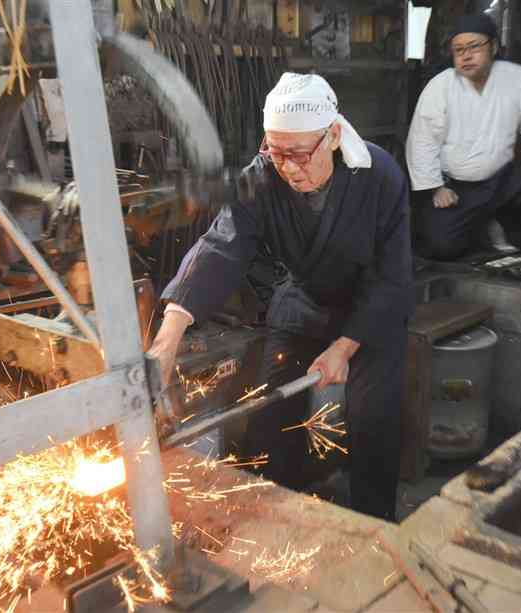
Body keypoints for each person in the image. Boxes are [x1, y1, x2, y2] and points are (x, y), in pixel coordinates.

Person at [149, 73, 414, 522]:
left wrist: (344, 348)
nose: (288, 167)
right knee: (270, 411)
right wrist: (167, 340)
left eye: (298, 154)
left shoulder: (379, 174)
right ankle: (277, 515)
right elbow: (221, 246)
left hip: (371, 311)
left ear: (332, 136)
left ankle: (375, 526)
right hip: (306, 298)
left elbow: (392, 278)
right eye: (276, 152)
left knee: (372, 419)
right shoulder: (263, 177)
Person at [406, 13, 521, 260]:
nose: (466, 56)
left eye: (474, 47)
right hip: (456, 186)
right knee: (440, 247)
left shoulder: (516, 78)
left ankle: (507, 232)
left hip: (501, 180)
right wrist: (436, 187)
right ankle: (482, 228)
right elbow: (422, 141)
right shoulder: (441, 86)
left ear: (494, 46)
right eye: (459, 50)